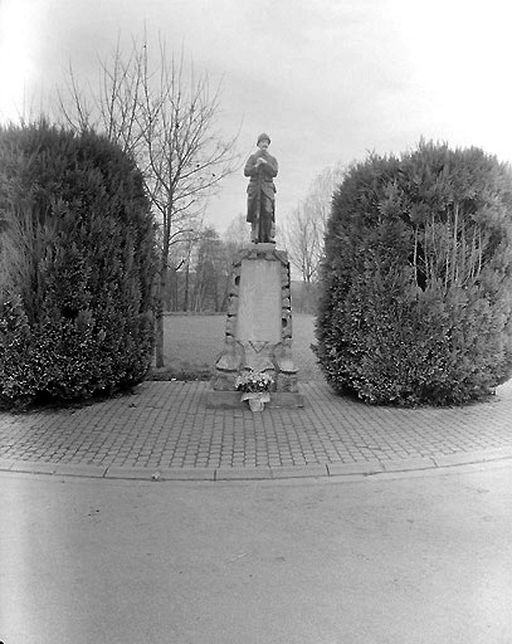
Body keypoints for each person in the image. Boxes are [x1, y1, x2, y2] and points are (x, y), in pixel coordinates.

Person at [244, 133, 278, 243]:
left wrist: (265, 164)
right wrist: (257, 165)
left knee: (268, 212)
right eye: (262, 142)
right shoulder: (253, 158)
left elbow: (274, 172)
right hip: (255, 188)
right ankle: (255, 236)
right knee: (255, 212)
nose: (265, 144)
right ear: (258, 144)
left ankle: (268, 236)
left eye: (266, 142)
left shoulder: (272, 159)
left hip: (267, 189)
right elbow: (246, 172)